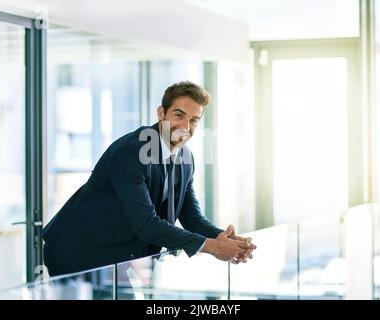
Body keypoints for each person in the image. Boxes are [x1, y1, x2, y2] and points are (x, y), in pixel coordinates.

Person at [42, 81, 256, 276]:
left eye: (194, 120)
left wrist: (225, 240)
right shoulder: (132, 153)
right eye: (179, 115)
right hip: (76, 253)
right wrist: (211, 247)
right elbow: (147, 224)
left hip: (118, 257)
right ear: (161, 113)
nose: (185, 127)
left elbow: (191, 217)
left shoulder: (185, 158)